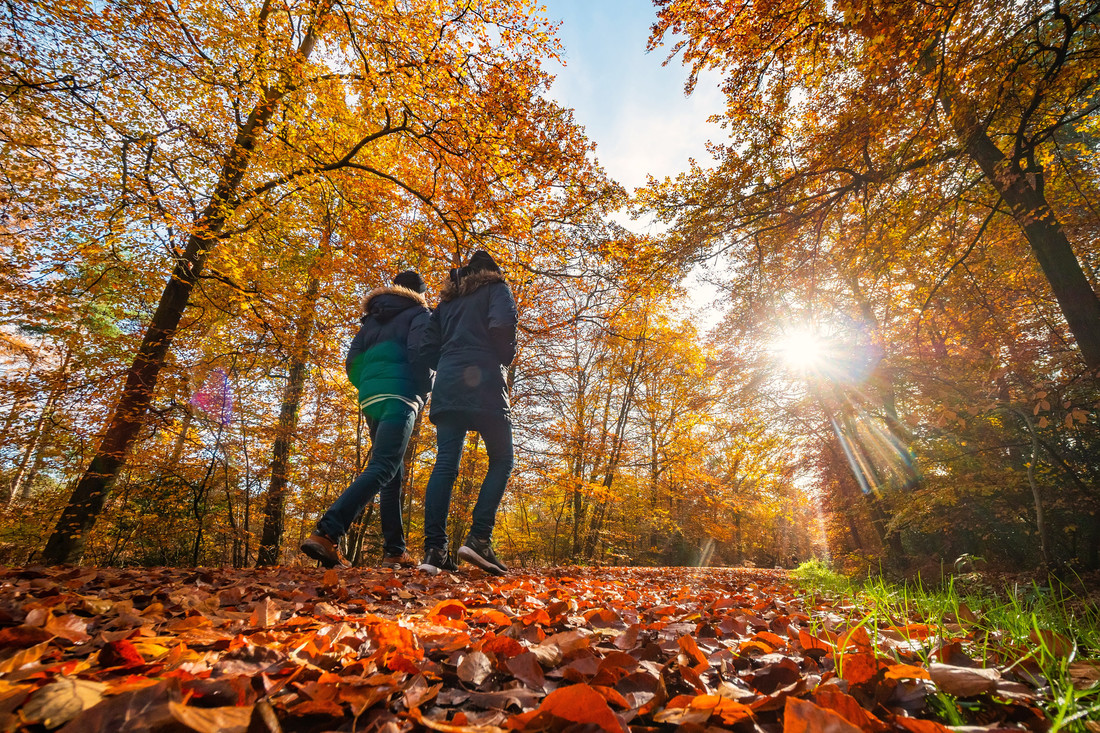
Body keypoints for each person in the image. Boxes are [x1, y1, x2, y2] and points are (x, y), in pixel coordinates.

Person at [301, 270, 432, 569]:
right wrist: (423, 388)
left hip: (371, 399)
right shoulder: (420, 313)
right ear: (420, 293)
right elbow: (420, 352)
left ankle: (395, 550)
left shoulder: (372, 319)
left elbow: (352, 361)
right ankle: (328, 531)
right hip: (401, 395)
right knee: (384, 466)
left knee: (392, 474)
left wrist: (369, 385)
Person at [417, 250, 518, 576]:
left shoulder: (446, 302)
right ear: (491, 271)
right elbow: (503, 326)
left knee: (445, 463)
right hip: (485, 379)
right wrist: (503, 356)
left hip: (448, 382)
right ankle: (478, 539)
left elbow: (427, 348)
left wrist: (447, 363)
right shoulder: (497, 289)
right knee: (502, 459)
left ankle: (434, 551)